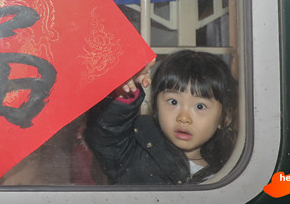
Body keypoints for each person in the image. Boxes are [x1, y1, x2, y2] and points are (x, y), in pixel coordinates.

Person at [85, 50, 237, 185]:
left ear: (225, 118)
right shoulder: (135, 149)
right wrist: (123, 95)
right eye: (173, 102)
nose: (184, 118)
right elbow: (107, 134)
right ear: (156, 105)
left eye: (200, 106)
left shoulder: (229, 175)